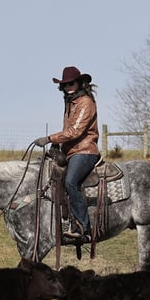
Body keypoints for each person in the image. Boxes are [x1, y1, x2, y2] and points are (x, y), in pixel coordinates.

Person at [34, 66, 100, 243]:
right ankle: (64, 223)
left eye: (71, 83)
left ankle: (84, 229)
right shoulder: (70, 102)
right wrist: (57, 144)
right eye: (65, 84)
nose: (68, 87)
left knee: (71, 182)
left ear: (79, 83)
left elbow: (76, 131)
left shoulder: (85, 102)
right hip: (71, 152)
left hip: (85, 151)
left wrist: (50, 138)